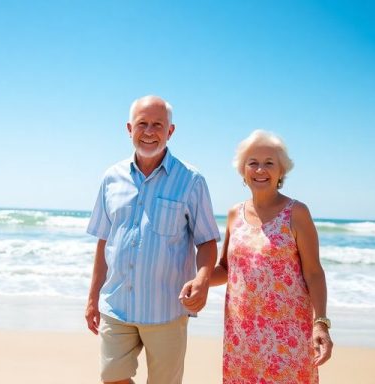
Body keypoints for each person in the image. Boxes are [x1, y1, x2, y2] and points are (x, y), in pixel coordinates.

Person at [85, 95, 221, 384]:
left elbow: (207, 241)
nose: (149, 131)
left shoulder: (191, 180)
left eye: (157, 124)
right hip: (116, 304)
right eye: (142, 124)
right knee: (111, 378)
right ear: (129, 129)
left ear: (170, 131)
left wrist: (203, 279)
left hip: (167, 310)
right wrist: (92, 297)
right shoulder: (111, 178)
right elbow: (103, 242)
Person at [209, 130, 332, 383]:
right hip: (241, 338)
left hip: (288, 339)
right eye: (253, 163)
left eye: (269, 163)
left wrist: (320, 323)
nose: (260, 169)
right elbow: (225, 269)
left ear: (281, 172)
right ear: (243, 170)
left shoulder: (296, 213)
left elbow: (314, 272)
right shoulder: (234, 214)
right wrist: (194, 277)